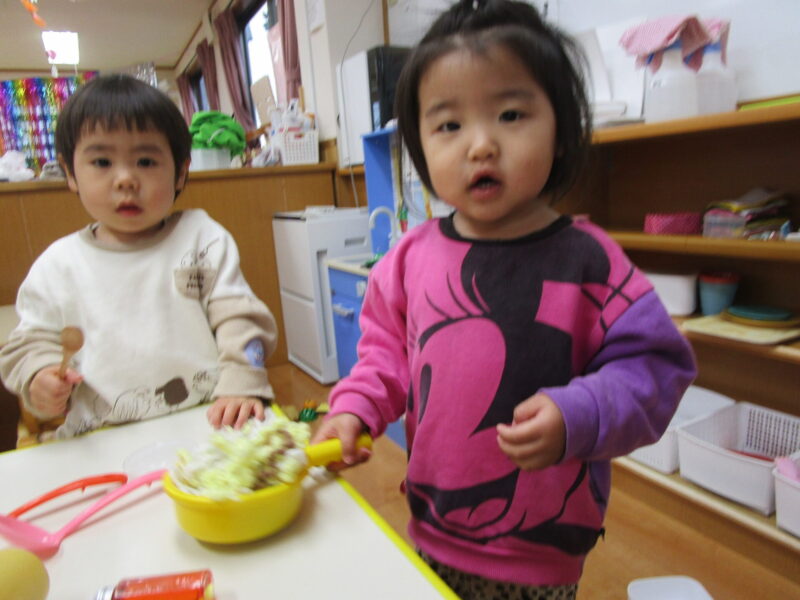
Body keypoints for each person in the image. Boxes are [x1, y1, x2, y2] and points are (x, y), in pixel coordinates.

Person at [312, 1, 697, 598]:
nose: (481, 145)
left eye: (511, 114)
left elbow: (657, 369)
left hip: (540, 547)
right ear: (419, 146)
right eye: (449, 125)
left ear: (561, 131)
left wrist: (579, 413)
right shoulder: (409, 260)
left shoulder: (590, 262)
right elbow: (384, 358)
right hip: (434, 525)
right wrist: (354, 409)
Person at [0, 74, 277, 440]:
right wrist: (38, 375)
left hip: (207, 421)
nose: (125, 179)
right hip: (100, 436)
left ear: (180, 173)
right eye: (102, 162)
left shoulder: (201, 238)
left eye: (146, 161)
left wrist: (242, 380)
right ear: (70, 174)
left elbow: (240, 317)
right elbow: (28, 343)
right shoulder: (57, 266)